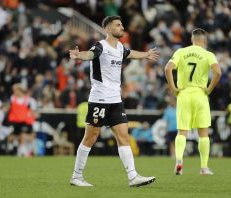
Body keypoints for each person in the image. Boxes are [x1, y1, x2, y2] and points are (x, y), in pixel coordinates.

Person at [69, 16, 158, 187]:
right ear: (108, 29)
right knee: (90, 137)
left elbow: (131, 54)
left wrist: (146, 55)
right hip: (99, 99)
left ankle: (133, 177)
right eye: (118, 25)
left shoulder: (120, 48)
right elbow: (90, 54)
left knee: (124, 137)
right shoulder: (100, 46)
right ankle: (76, 176)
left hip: (115, 100)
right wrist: (79, 55)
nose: (122, 27)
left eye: (122, 24)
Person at [164, 28, 221, 175]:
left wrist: (173, 88)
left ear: (192, 39)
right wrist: (209, 89)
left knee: (182, 132)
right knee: (203, 133)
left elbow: (168, 68)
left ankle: (178, 163)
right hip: (200, 94)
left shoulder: (181, 52)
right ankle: (204, 167)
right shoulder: (208, 54)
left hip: (184, 94)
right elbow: (218, 72)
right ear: (205, 40)